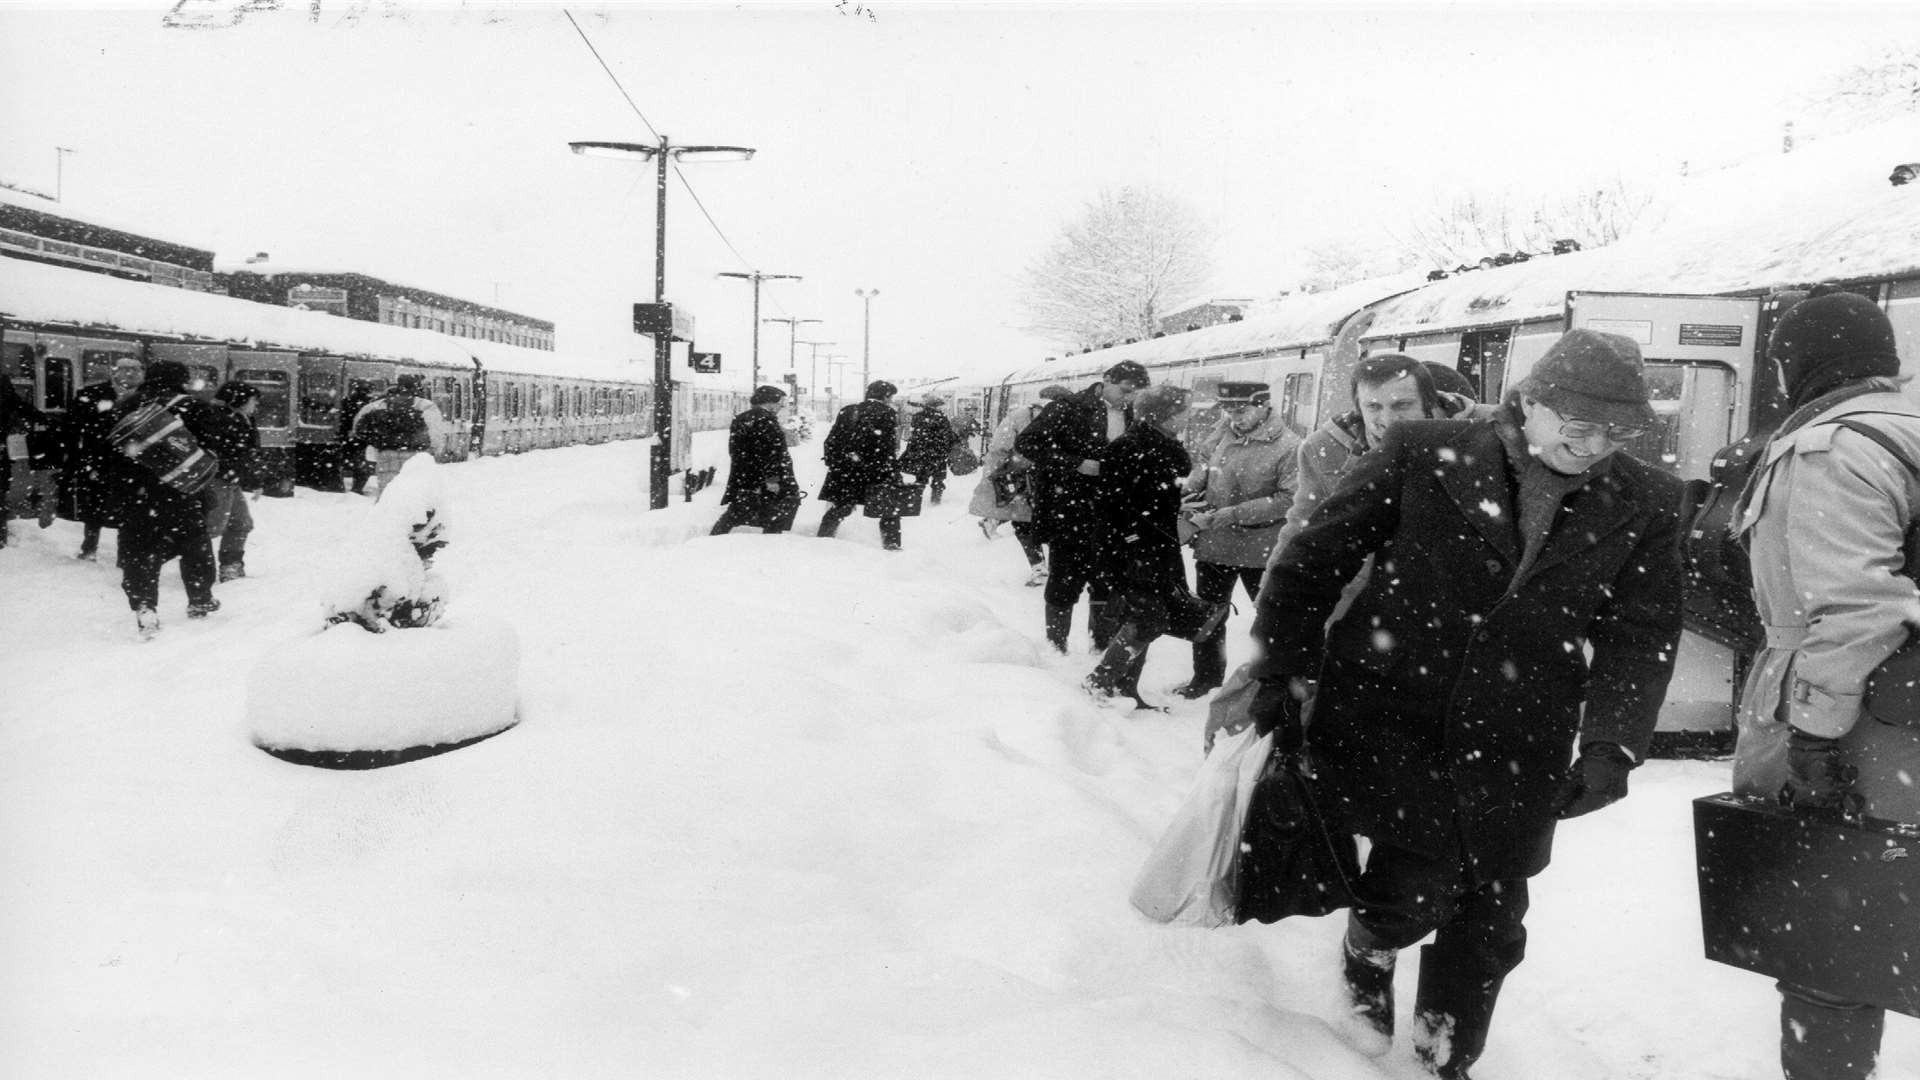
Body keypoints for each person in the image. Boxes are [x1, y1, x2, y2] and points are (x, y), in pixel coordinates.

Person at [1248, 329, 1684, 1079]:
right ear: (1531, 404)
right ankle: (1370, 942)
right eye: (1579, 426)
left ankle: (1443, 1056)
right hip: (1394, 713)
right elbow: (1314, 556)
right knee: (1411, 885)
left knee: (1491, 917)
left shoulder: (1648, 498)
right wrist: (1278, 670)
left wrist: (1613, 745)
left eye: (1616, 431)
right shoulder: (1424, 451)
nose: (1596, 445)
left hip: (1522, 731)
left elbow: (1640, 633)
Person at [1728, 289, 1920, 1080]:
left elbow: (1853, 610)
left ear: (1794, 364)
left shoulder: (1831, 448)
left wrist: (1813, 735)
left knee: (1831, 941)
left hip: (1870, 727)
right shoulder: (1906, 430)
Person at [1083, 385, 1215, 707]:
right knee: (1149, 616)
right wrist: (1135, 545)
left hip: (1149, 548)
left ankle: (1126, 690)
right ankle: (1099, 681)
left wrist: (1176, 509)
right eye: (1184, 410)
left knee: (1144, 614)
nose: (1188, 416)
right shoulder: (1136, 448)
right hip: (1134, 551)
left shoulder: (1153, 445)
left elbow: (1147, 500)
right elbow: (1114, 506)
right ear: (1165, 415)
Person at [1016, 360, 1152, 652]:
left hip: (1114, 513)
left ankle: (1099, 645)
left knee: (1106, 581)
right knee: (1064, 580)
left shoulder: (1136, 416)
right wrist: (1076, 464)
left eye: (1134, 394)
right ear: (1106, 380)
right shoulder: (1068, 407)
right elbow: (1028, 443)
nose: (1127, 399)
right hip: (1070, 509)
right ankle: (1056, 645)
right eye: (1124, 391)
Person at [1175, 381, 1300, 698]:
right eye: (1228, 410)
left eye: (1241, 410)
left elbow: (1288, 499)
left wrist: (1233, 513)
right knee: (1208, 617)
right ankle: (1205, 679)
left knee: (1270, 620)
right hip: (1215, 544)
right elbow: (1200, 474)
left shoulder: (1289, 446)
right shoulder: (1221, 436)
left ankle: (1269, 684)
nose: (1234, 417)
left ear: (1263, 405)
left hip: (1261, 549)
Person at [108, 359, 224, 635]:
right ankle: (200, 598)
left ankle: (145, 606)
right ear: (181, 379)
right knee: (194, 543)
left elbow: (111, 451)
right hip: (181, 490)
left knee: (140, 550)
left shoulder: (127, 405)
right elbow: (210, 447)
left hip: (138, 493)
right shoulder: (194, 406)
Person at [969, 388, 1067, 585]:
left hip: (1025, 480)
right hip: (1059, 480)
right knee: (1057, 522)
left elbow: (999, 448)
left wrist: (993, 476)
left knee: (1024, 523)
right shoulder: (1073, 415)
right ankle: (1059, 569)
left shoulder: (1020, 416)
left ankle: (1038, 566)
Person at [63, 355, 144, 561]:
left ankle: (126, 552)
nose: (130, 373)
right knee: (94, 504)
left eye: (135, 369)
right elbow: (73, 426)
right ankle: (89, 546)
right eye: (125, 369)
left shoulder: (148, 397)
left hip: (133, 460)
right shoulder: (92, 394)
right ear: (114, 372)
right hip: (98, 458)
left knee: (131, 507)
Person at [817, 380, 905, 550]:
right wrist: (892, 471)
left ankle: (823, 539)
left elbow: (832, 440)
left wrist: (837, 463)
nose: (891, 400)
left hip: (845, 471)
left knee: (841, 507)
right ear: (886, 396)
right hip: (875, 471)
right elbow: (886, 447)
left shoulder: (848, 410)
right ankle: (892, 546)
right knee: (889, 510)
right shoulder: (887, 413)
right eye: (891, 396)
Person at [710, 385, 801, 535]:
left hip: (745, 477)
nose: (781, 407)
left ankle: (712, 540)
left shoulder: (741, 419)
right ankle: (768, 548)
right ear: (770, 402)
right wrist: (772, 480)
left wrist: (746, 473)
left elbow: (735, 451)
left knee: (736, 512)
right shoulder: (768, 421)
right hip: (766, 481)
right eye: (780, 403)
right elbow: (771, 453)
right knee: (775, 517)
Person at [350, 374, 449, 499]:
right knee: (413, 493)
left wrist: (375, 441)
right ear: (416, 388)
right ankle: (409, 515)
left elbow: (358, 428)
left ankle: (387, 514)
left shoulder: (377, 405)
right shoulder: (426, 406)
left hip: (386, 454)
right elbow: (435, 431)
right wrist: (435, 450)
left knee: (387, 492)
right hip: (416, 455)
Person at [201, 381, 262, 580]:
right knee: (213, 526)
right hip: (218, 480)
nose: (255, 405)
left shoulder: (240, 419)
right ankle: (162, 557)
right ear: (240, 401)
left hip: (229, 480)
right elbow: (240, 454)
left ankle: (231, 566)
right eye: (253, 401)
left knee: (241, 523)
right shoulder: (225, 420)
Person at [900, 391, 960, 504]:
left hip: (921, 452)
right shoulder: (941, 417)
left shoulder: (917, 417)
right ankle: (935, 500)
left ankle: (916, 499)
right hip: (937, 453)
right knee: (938, 478)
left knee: (920, 478)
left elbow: (915, 434)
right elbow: (947, 435)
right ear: (936, 405)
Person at [337, 378, 378, 495]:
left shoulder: (346, 401)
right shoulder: (370, 404)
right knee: (360, 464)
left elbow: (341, 417)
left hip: (346, 436)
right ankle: (357, 488)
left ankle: (341, 486)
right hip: (361, 438)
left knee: (346, 461)